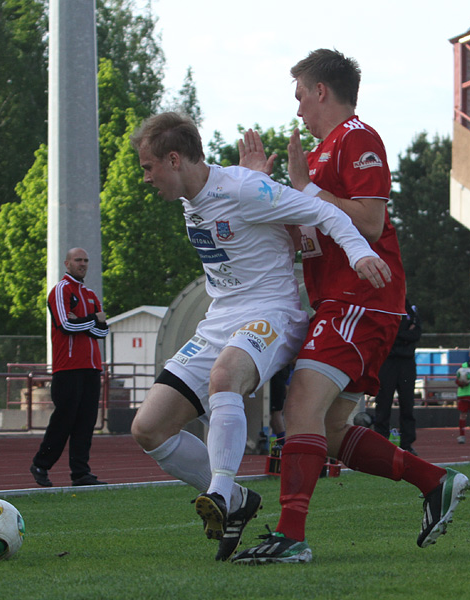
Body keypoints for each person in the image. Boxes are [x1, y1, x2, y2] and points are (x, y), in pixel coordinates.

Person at [233, 49, 470, 565]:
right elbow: (307, 236)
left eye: (300, 96)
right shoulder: (321, 154)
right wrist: (263, 189)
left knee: (300, 408)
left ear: (322, 91)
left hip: (360, 300)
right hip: (341, 302)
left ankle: (291, 537)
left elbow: (369, 221)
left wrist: (306, 190)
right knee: (333, 431)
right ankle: (436, 482)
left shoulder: (357, 138)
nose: (296, 110)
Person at [127, 112, 392, 562]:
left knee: (224, 376)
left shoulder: (243, 189)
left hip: (272, 312)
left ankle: (221, 491)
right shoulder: (196, 197)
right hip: (220, 320)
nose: (146, 178)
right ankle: (236, 500)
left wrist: (359, 250)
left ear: (174, 159)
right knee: (148, 428)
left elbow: (324, 212)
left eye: (148, 167)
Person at [30, 247, 109, 487]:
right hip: (68, 367)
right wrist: (93, 320)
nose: (82, 264)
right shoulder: (61, 290)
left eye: (85, 260)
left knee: (86, 422)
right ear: (67, 263)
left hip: (92, 367)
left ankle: (81, 473)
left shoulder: (91, 294)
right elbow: (66, 325)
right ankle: (41, 464)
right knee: (64, 420)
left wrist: (85, 321)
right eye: (78, 260)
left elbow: (103, 331)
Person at [372, 300, 422, 455]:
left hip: (407, 363)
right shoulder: (386, 305)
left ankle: (407, 444)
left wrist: (399, 335)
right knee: (383, 402)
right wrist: (404, 334)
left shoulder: (411, 308)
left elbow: (416, 333)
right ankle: (381, 443)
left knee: (407, 404)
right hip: (388, 361)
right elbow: (386, 333)